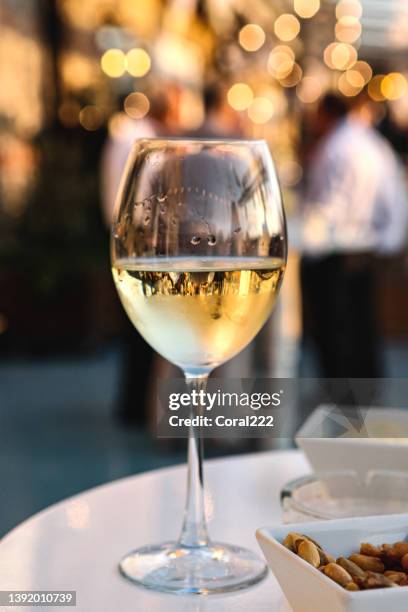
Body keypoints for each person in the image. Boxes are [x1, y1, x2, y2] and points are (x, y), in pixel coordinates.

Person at [298, 91, 408, 378]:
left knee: (336, 334)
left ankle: (341, 401)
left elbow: (324, 208)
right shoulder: (373, 143)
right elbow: (395, 197)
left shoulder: (335, 147)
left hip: (335, 252)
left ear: (326, 114)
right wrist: (388, 243)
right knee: (362, 328)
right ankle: (362, 397)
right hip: (366, 250)